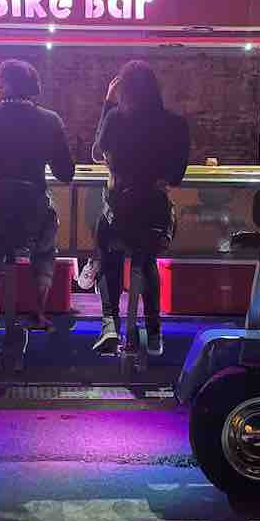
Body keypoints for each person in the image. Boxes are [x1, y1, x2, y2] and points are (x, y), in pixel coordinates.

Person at [0, 59, 75, 368]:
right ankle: (35, 307)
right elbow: (66, 173)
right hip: (32, 220)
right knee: (48, 236)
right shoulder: (50, 120)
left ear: (3, 86)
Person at [91, 60, 190, 356]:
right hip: (155, 214)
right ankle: (155, 331)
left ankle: (109, 322)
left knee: (107, 253)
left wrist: (107, 105)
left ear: (123, 89)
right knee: (146, 260)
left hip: (121, 210)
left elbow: (98, 153)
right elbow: (176, 176)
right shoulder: (176, 123)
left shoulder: (116, 118)